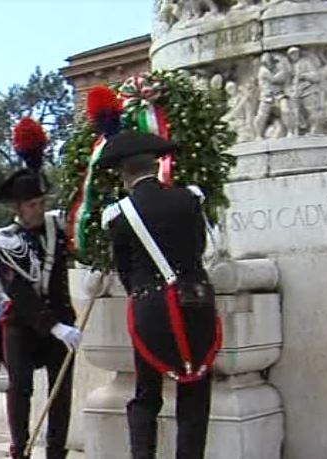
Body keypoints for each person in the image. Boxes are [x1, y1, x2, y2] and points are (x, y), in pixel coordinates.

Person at [99, 131, 222, 459]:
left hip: (151, 309)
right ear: (157, 165)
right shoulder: (189, 198)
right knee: (194, 394)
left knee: (146, 396)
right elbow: (199, 248)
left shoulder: (119, 215)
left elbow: (125, 270)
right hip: (195, 303)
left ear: (126, 174)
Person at [0, 118, 81, 459]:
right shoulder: (6, 241)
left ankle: (57, 451)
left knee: (62, 389)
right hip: (23, 323)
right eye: (32, 205)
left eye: (41, 203)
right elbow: (22, 295)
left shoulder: (56, 228)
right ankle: (20, 449)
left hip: (61, 315)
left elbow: (76, 247)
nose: (39, 210)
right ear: (18, 208)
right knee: (21, 388)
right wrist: (53, 327)